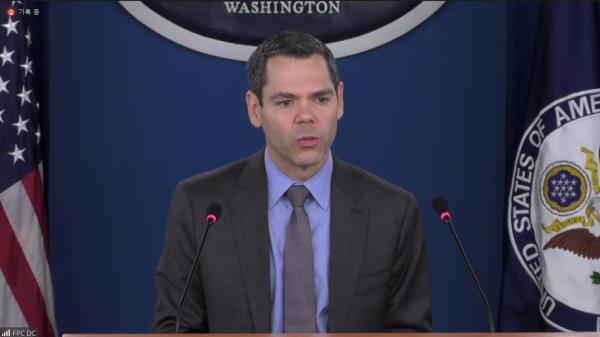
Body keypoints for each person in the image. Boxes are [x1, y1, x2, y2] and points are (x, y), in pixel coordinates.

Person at [152, 31, 432, 333]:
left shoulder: (392, 212)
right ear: (255, 109)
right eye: (286, 102)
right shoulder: (201, 206)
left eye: (321, 99)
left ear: (340, 101)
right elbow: (175, 328)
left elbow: (410, 330)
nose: (306, 116)